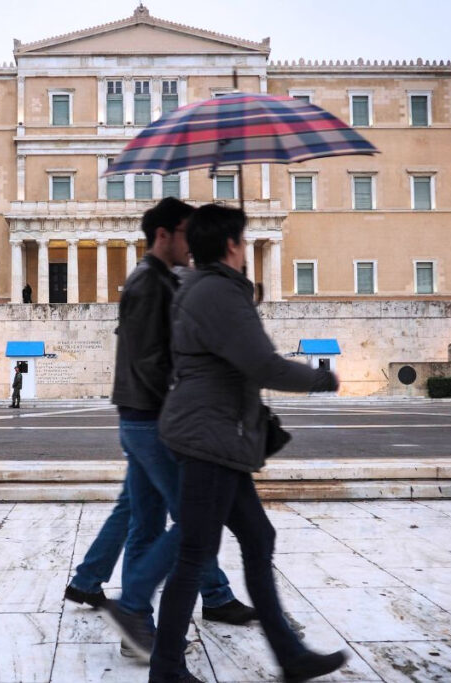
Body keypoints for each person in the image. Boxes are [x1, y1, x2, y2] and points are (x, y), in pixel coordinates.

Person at [150, 204, 347, 683]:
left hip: (217, 434)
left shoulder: (206, 288)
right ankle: (167, 669)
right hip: (209, 436)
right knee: (195, 552)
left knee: (257, 537)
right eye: (241, 239)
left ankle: (289, 655)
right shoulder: (218, 292)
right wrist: (323, 379)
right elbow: (264, 365)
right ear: (233, 245)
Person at [68, 197, 255, 659]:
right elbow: (152, 361)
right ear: (164, 234)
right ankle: (138, 612)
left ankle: (152, 621)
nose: (194, 244)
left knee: (147, 522)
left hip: (141, 418)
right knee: (193, 520)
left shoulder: (157, 280)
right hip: (152, 421)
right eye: (188, 234)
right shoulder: (149, 284)